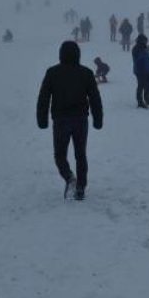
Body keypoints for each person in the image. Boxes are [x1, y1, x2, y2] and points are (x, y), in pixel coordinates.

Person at [37, 41, 103, 201]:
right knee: (80, 154)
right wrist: (98, 118)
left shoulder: (52, 73)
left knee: (60, 155)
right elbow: (95, 98)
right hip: (80, 119)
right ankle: (80, 187)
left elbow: (43, 98)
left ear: (61, 54)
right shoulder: (86, 73)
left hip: (61, 120)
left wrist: (42, 119)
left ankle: (69, 177)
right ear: (77, 55)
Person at [132, 34, 149, 108]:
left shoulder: (144, 47)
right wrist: (145, 51)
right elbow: (137, 59)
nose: (146, 42)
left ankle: (147, 100)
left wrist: (147, 50)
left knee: (148, 85)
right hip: (140, 70)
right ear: (141, 40)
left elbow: (145, 57)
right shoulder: (135, 48)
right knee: (141, 86)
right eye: (145, 40)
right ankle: (140, 102)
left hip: (147, 70)